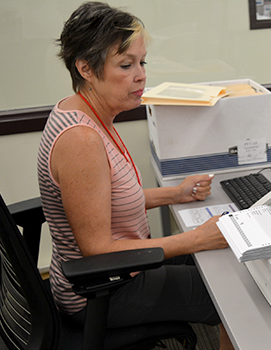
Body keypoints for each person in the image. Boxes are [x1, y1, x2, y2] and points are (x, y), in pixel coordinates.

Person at [37, 2, 233, 349]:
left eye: (142, 62)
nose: (141, 75)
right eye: (126, 65)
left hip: (119, 272)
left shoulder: (87, 113)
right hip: (100, 290)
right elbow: (97, 249)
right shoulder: (80, 139)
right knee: (232, 293)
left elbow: (106, 200)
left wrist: (176, 194)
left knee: (220, 260)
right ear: (85, 68)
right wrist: (197, 238)